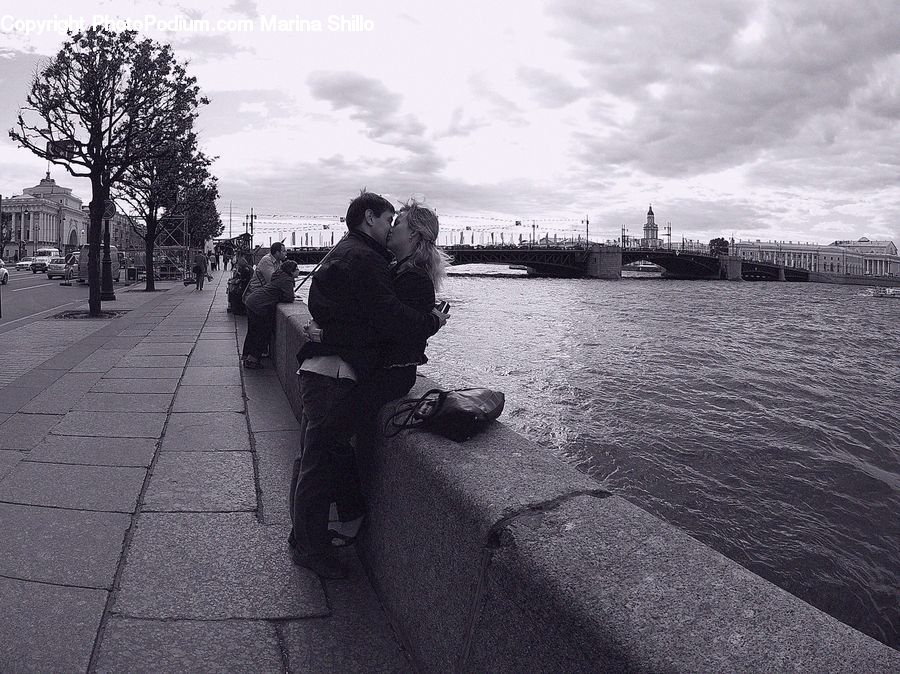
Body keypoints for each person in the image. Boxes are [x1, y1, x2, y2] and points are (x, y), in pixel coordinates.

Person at [289, 191, 448, 579]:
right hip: (335, 370)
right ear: (370, 218)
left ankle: (318, 534)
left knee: (320, 452)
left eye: (400, 224)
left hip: (361, 371)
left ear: (413, 237)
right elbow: (385, 319)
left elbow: (388, 324)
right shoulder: (370, 260)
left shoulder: (388, 267)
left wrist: (327, 331)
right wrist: (432, 322)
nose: (392, 227)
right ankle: (312, 541)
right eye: (389, 220)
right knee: (321, 455)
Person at [241, 259, 300, 369]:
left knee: (252, 332)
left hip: (252, 300)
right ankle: (252, 361)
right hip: (259, 306)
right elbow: (288, 297)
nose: (299, 271)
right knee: (261, 333)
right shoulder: (287, 280)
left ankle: (246, 356)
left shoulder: (278, 276)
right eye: (296, 269)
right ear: (291, 272)